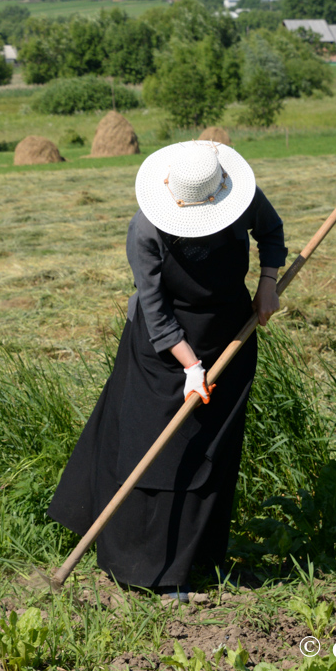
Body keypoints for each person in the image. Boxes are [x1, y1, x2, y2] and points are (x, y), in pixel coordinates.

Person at [47, 139, 286, 602]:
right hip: (161, 351)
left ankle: (201, 559)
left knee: (213, 449)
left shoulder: (240, 195)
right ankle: (146, 568)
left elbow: (271, 233)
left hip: (230, 336)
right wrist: (191, 367)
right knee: (156, 451)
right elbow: (155, 313)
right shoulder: (146, 229)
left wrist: (268, 282)